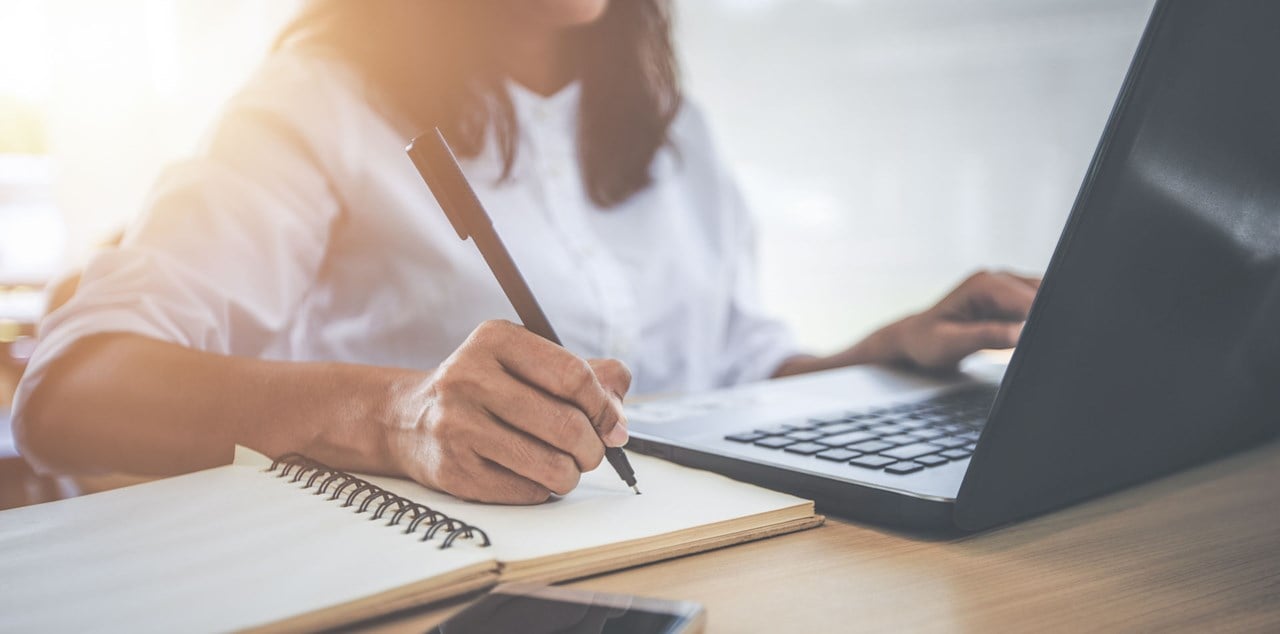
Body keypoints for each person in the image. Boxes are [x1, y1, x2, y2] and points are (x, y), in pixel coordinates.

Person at [12, 0, 1039, 504]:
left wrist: (883, 351)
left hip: (700, 565)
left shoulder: (664, 122)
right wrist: (396, 415)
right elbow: (67, 390)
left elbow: (724, 375)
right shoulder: (315, 103)